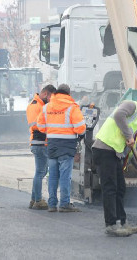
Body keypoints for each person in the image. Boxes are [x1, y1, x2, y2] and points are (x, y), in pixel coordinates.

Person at [92, 94, 137, 237]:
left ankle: (122, 221)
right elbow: (118, 115)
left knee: (120, 188)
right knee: (110, 188)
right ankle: (111, 225)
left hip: (114, 153)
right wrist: (129, 135)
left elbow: (131, 149)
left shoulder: (136, 121)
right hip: (104, 149)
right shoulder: (131, 105)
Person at [36, 83, 86, 212]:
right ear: (68, 94)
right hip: (67, 145)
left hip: (52, 144)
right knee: (65, 175)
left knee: (52, 175)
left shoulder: (47, 107)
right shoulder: (72, 107)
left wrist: (52, 131)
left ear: (57, 93)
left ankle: (52, 204)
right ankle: (64, 204)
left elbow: (40, 126)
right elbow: (81, 128)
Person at [26, 84, 56, 210]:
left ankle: (34, 198)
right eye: (50, 97)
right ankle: (38, 200)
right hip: (39, 142)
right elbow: (36, 125)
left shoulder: (39, 105)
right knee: (40, 172)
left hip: (39, 142)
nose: (51, 100)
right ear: (45, 94)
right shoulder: (35, 106)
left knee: (41, 172)